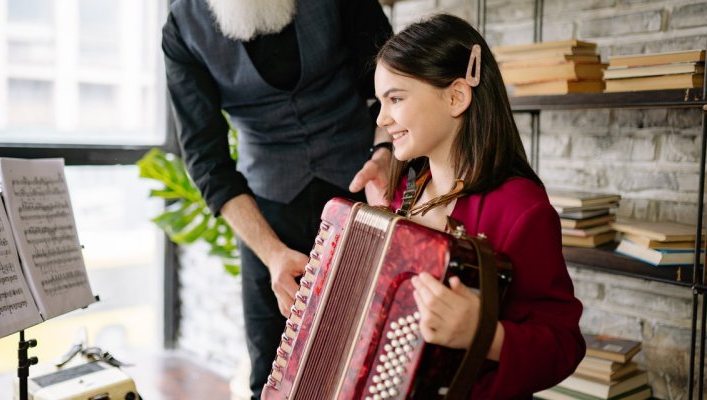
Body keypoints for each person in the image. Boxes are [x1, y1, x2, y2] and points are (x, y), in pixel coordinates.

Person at [161, 0, 392, 398]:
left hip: (362, 188)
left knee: (369, 359)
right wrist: (271, 254)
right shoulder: (183, 28)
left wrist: (385, 154)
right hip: (267, 214)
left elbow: (394, 80)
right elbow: (207, 159)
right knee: (274, 375)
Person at [374, 13, 585, 398]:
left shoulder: (521, 209)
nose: (382, 118)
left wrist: (483, 333)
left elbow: (564, 345)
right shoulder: (404, 191)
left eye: (396, 99)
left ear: (456, 96)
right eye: (381, 101)